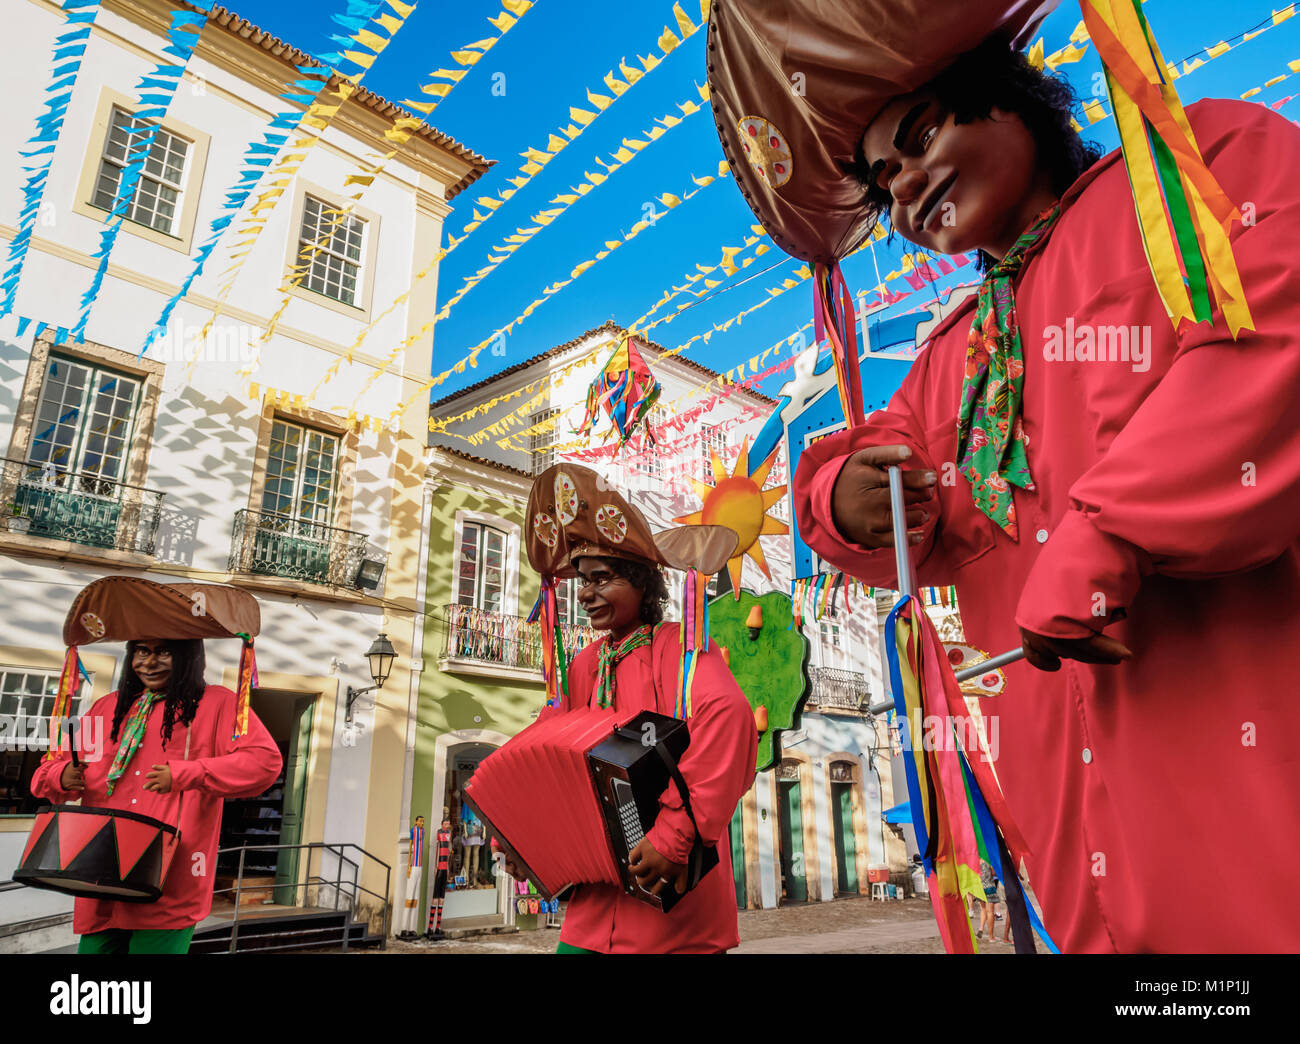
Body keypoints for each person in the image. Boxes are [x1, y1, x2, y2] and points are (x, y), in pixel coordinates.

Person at [776, 31, 1300, 951]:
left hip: (1248, 762)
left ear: (1011, 96)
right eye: (882, 176)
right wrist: (838, 499)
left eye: (919, 135)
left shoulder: (1194, 166)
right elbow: (868, 469)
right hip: (1066, 831)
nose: (902, 185)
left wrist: (1111, 535)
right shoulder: (951, 357)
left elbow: (1275, 328)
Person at [507, 464, 757, 953]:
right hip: (591, 908)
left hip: (674, 916)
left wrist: (673, 834)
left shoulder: (683, 650)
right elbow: (546, 754)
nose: (584, 593)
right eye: (581, 580)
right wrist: (520, 836)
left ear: (642, 584)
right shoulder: (581, 667)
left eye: (601, 578)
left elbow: (730, 720)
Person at [31, 636, 282, 954]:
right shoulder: (106, 708)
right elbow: (48, 772)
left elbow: (263, 762)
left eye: (164, 652)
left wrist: (186, 773)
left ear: (188, 656)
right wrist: (61, 776)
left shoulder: (217, 704)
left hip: (169, 877)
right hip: (100, 875)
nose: (149, 662)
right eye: (141, 651)